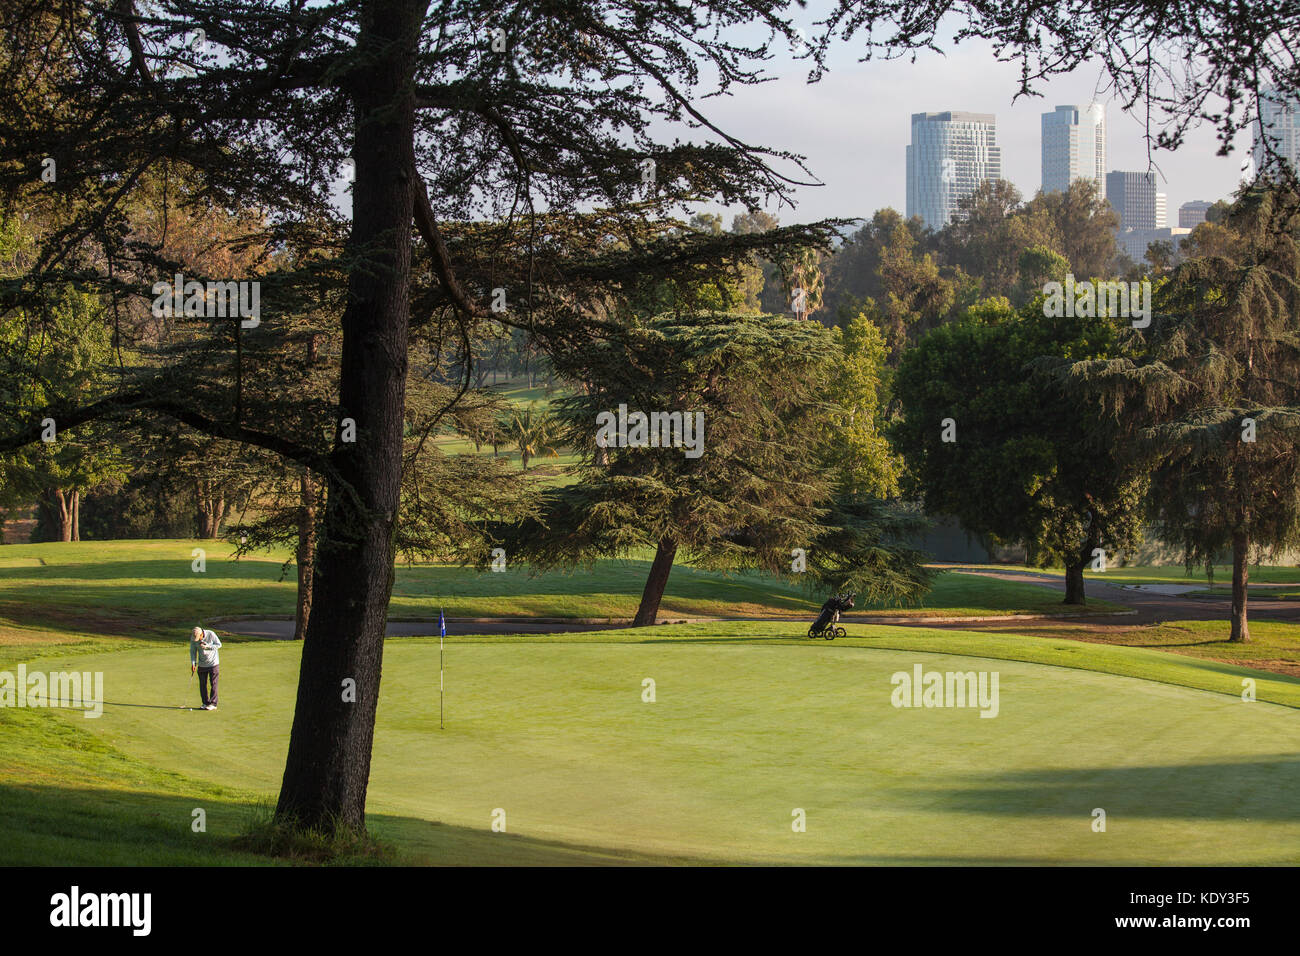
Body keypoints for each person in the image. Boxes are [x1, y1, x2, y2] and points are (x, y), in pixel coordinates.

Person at [189, 626, 222, 711]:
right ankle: (205, 703)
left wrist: (208, 646)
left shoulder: (211, 634)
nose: (198, 640)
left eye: (198, 638)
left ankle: (213, 704)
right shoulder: (193, 638)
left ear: (201, 634)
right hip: (201, 664)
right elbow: (193, 651)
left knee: (213, 683)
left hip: (213, 663)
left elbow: (219, 645)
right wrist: (193, 663)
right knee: (202, 684)